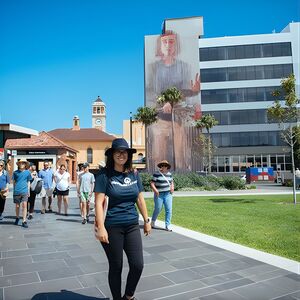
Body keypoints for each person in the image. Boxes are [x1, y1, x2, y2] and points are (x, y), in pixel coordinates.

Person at [94, 138, 151, 300]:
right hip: (112, 226)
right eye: (118, 152)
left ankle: (129, 296)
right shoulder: (104, 175)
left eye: (124, 152)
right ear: (112, 155)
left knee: (137, 265)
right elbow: (98, 203)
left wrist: (146, 221)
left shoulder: (134, 174)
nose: (121, 154)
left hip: (132, 224)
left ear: (128, 155)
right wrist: (101, 227)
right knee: (116, 266)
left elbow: (140, 199)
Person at [146, 30, 201, 172]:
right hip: (159, 119)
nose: (168, 45)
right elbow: (150, 91)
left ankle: (182, 176)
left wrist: (193, 91)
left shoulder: (184, 67)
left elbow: (186, 91)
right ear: (160, 45)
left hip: (178, 118)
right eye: (165, 42)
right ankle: (158, 176)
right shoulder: (153, 68)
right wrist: (162, 102)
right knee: (159, 150)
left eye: (171, 41)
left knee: (180, 152)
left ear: (176, 45)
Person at [150, 160, 174, 231]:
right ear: (160, 166)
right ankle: (153, 222)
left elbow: (172, 181)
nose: (164, 167)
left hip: (168, 194)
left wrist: (172, 187)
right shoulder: (156, 174)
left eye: (165, 165)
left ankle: (168, 225)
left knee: (169, 209)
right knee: (158, 209)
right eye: (162, 165)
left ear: (167, 167)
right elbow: (152, 183)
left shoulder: (169, 174)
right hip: (159, 194)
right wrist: (156, 190)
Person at [12, 158, 32, 228]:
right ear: (19, 164)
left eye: (23, 163)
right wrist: (14, 190)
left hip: (24, 191)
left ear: (25, 164)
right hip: (17, 191)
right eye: (20, 163)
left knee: (24, 205)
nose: (21, 164)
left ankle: (24, 221)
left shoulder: (28, 172)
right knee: (17, 206)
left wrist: (28, 191)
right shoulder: (15, 172)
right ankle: (17, 217)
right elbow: (14, 182)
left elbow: (28, 182)